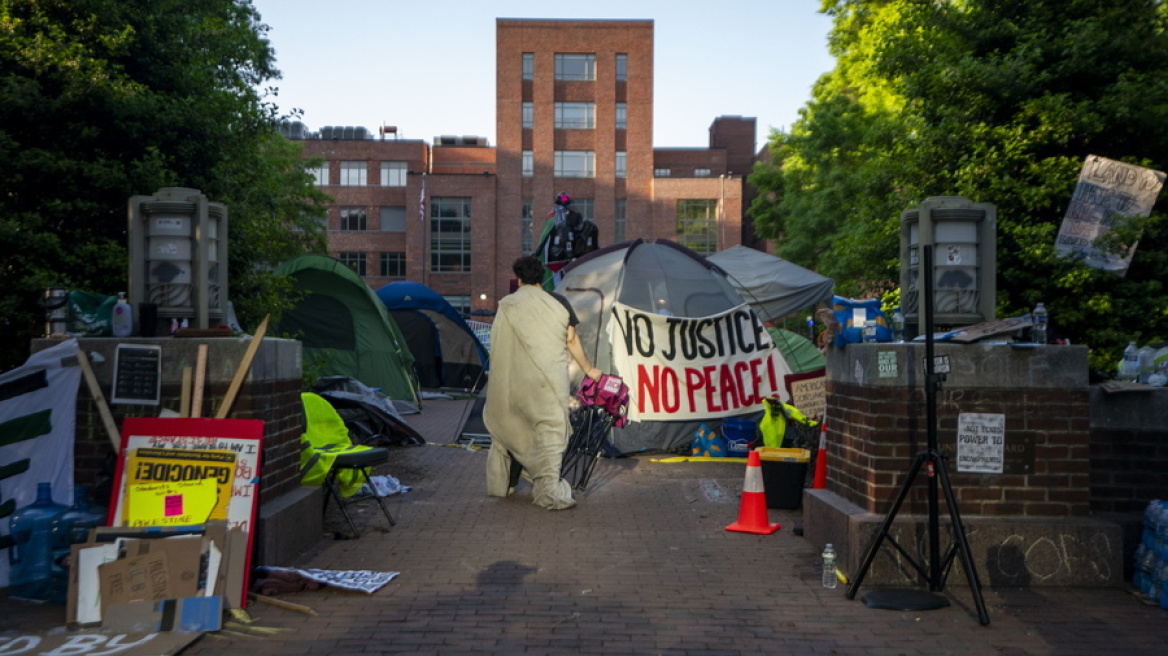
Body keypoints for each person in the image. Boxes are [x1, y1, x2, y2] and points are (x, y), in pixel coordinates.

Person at [483, 256, 602, 510]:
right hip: (548, 383)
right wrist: (589, 369)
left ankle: (503, 485)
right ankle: (547, 487)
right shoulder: (558, 303)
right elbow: (571, 339)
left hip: (513, 382)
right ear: (541, 278)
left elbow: (498, 343)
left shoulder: (508, 305)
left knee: (510, 429)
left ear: (519, 280)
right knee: (549, 433)